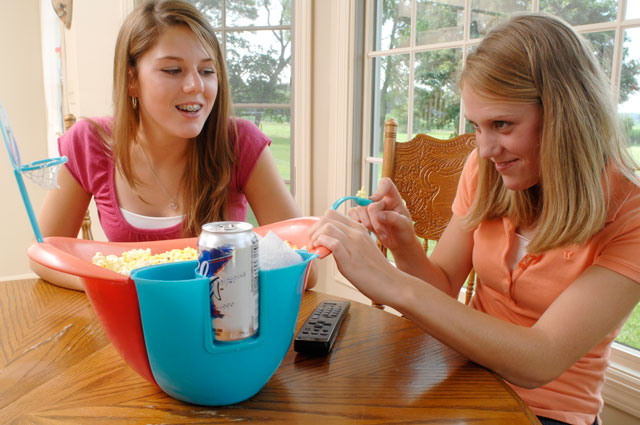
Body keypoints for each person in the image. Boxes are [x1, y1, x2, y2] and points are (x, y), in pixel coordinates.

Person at [309, 13, 640, 425]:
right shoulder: (486, 172)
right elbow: (444, 285)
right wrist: (404, 242)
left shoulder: (630, 216)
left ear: (564, 115)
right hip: (463, 382)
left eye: (501, 124)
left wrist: (391, 282)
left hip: (548, 413)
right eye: (477, 127)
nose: (485, 149)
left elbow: (540, 360)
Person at [33, 0, 310, 290]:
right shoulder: (90, 142)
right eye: (173, 70)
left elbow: (304, 270)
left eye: (207, 71)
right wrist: (117, 288)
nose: (196, 86)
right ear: (131, 79)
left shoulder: (241, 143)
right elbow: (44, 255)